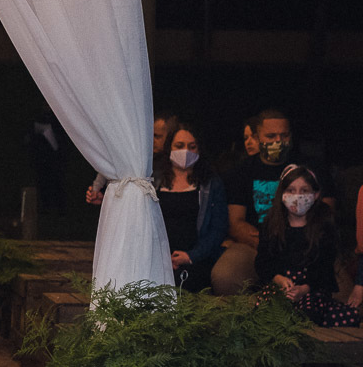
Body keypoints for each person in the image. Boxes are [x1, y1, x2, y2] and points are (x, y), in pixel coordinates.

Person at [213, 109, 336, 295]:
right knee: (224, 277)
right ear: (257, 137)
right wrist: (270, 244)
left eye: (284, 135)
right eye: (270, 136)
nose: (278, 141)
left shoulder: (313, 167)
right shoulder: (241, 171)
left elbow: (327, 213)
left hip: (309, 244)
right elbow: (235, 222)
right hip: (256, 245)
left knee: (341, 294)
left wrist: (299, 241)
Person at [255, 165, 358, 327]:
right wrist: (278, 279)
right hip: (280, 287)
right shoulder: (272, 223)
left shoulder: (323, 224)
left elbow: (324, 266)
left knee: (311, 312)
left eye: (304, 191)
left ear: (315, 195)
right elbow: (263, 261)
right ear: (282, 194)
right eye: (291, 190)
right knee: (265, 311)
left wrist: (304, 288)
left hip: (312, 288)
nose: (297, 196)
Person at [156, 124, 227, 292]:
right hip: (159, 257)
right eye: (179, 146)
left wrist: (191, 256)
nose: (186, 151)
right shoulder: (154, 180)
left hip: (197, 259)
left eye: (192, 146)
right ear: (169, 148)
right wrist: (162, 257)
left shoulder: (211, 183)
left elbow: (219, 228)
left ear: (199, 149)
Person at [86, 112, 176, 206]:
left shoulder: (173, 165)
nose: (151, 140)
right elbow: (107, 168)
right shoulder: (138, 155)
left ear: (170, 137)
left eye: (157, 136)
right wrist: (100, 193)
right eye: (150, 135)